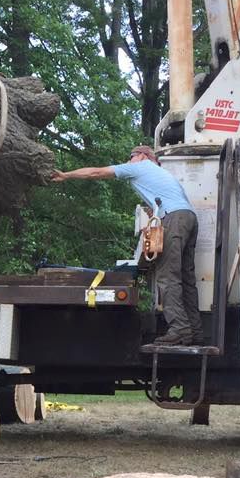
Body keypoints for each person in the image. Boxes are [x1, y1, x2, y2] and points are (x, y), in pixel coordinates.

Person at [51, 145, 203, 346]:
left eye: (130, 157)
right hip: (189, 218)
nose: (128, 160)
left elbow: (97, 172)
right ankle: (195, 331)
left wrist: (66, 175)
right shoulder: (161, 175)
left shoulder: (140, 167)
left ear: (141, 156)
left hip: (174, 219)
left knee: (168, 277)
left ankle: (180, 330)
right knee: (186, 279)